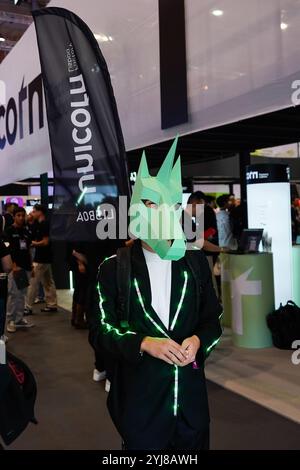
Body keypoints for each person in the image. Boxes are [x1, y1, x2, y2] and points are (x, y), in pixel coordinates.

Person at [91, 139, 222, 450]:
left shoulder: (194, 263)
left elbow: (212, 320)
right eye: (153, 204)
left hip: (191, 411)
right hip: (141, 411)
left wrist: (198, 341)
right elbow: (99, 332)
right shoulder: (113, 269)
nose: (165, 213)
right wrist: (143, 343)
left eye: (173, 205)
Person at [4, 207, 34, 333]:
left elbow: (28, 249)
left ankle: (19, 319)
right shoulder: (9, 231)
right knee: (13, 295)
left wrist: (31, 266)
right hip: (15, 268)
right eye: (18, 215)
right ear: (14, 216)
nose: (21, 218)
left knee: (22, 294)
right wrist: (14, 266)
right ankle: (10, 320)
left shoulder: (26, 230)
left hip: (26, 267)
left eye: (23, 215)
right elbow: (8, 251)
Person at [25, 204, 57, 314]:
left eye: (34, 211)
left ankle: (27, 307)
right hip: (45, 257)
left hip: (41, 258)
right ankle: (52, 304)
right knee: (48, 281)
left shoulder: (44, 224)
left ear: (40, 212)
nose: (32, 213)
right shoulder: (39, 224)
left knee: (32, 282)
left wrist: (33, 243)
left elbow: (45, 242)